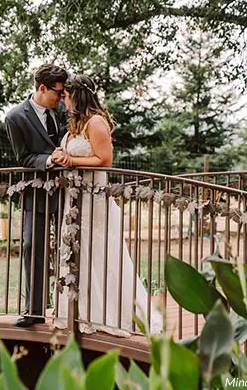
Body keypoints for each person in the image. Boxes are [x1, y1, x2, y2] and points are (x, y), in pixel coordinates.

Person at [53, 74, 163, 336]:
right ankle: (79, 312)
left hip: (94, 199)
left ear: (77, 96)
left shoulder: (96, 123)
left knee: (99, 253)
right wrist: (59, 155)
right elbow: (73, 154)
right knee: (80, 253)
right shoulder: (76, 125)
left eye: (66, 96)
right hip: (75, 199)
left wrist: (71, 161)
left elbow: (105, 160)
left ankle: (108, 314)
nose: (63, 101)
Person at [5, 64, 70, 327]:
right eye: (58, 92)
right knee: (33, 246)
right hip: (36, 193)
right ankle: (34, 310)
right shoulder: (15, 118)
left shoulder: (64, 110)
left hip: (68, 191)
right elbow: (23, 158)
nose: (62, 97)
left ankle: (71, 308)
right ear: (42, 89)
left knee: (72, 247)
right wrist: (49, 159)